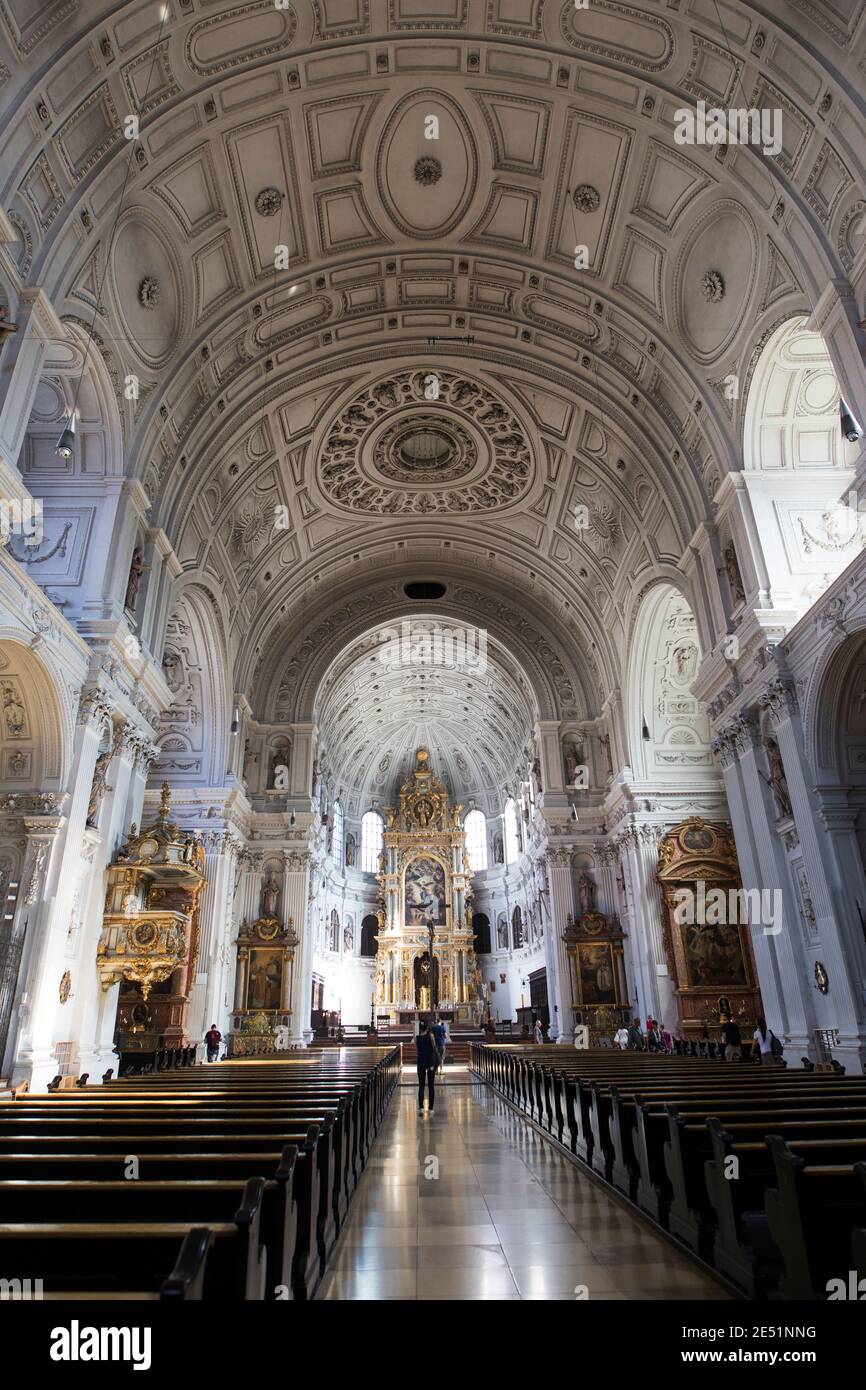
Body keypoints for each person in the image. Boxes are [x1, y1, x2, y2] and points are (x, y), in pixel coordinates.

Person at [416, 1020, 439, 1116]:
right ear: (427, 1028)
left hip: (421, 1062)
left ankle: (421, 1108)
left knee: (421, 1085)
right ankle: (431, 1108)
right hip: (430, 1062)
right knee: (431, 1085)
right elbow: (434, 1048)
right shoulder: (431, 1036)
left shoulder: (417, 1038)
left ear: (420, 1029)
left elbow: (417, 1050)